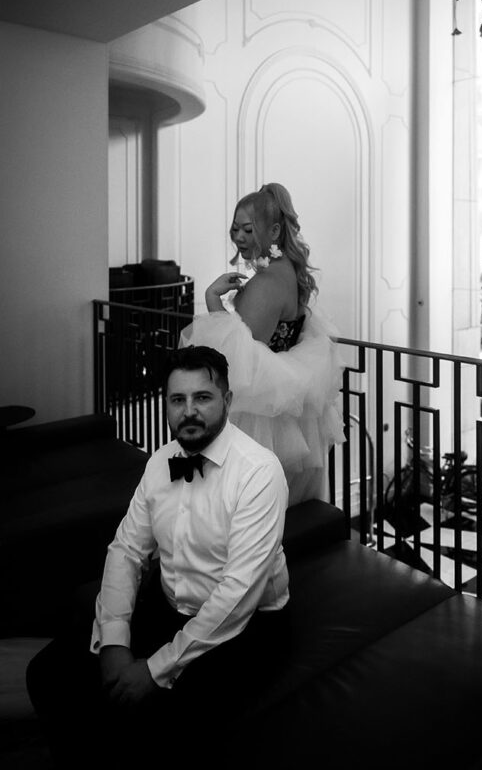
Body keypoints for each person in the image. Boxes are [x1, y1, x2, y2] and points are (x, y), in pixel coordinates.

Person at [27, 345, 290, 769]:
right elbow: (126, 550)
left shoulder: (260, 472)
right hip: (170, 605)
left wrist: (154, 669)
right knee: (48, 674)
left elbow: (237, 595)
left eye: (202, 398)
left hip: (249, 625)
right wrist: (113, 639)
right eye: (177, 399)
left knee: (157, 728)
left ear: (227, 401)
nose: (189, 411)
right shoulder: (159, 463)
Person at [180, 182, 344, 506]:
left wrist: (212, 298)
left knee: (243, 502)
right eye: (235, 228)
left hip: (261, 412)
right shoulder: (289, 271)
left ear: (274, 231)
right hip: (284, 405)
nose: (238, 237)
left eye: (247, 229)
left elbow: (235, 358)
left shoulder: (266, 283)